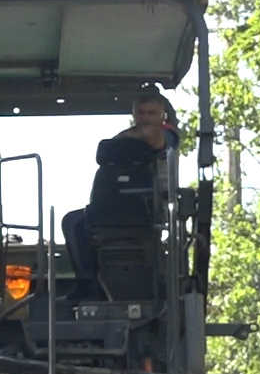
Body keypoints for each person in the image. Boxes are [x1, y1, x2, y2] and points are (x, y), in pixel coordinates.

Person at [61, 90, 177, 287]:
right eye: (141, 113)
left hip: (152, 208)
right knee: (72, 222)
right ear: (134, 114)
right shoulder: (126, 145)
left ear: (162, 115)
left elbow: (149, 134)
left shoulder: (167, 135)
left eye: (152, 113)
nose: (146, 118)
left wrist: (119, 139)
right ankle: (87, 282)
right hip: (116, 207)